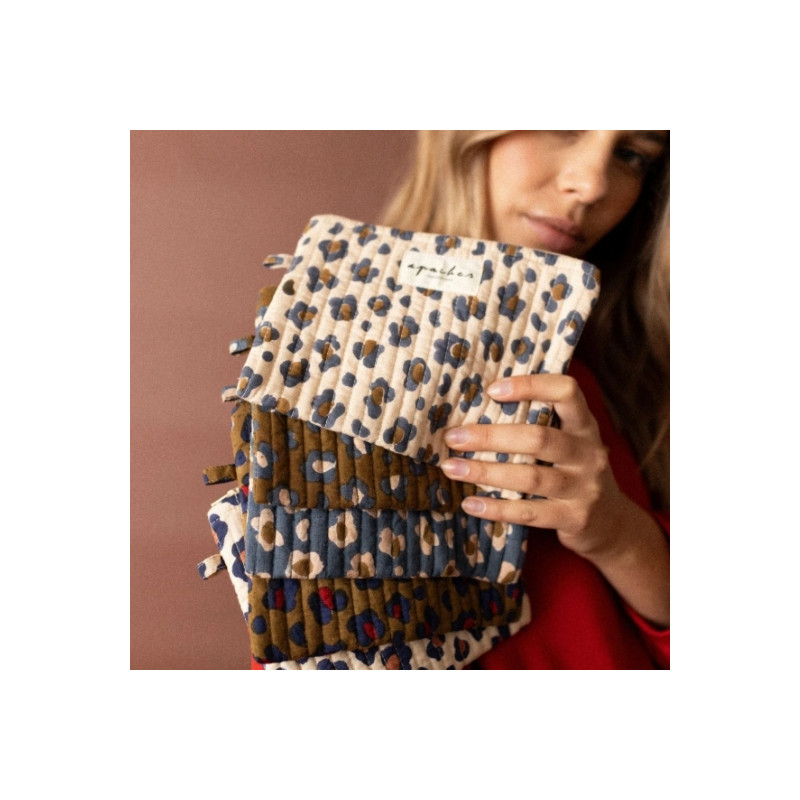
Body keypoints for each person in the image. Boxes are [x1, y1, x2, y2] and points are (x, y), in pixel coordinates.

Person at [380, 131, 670, 669]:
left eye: (633, 155)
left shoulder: (635, 367)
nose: (591, 185)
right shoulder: (326, 342)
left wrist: (621, 536)